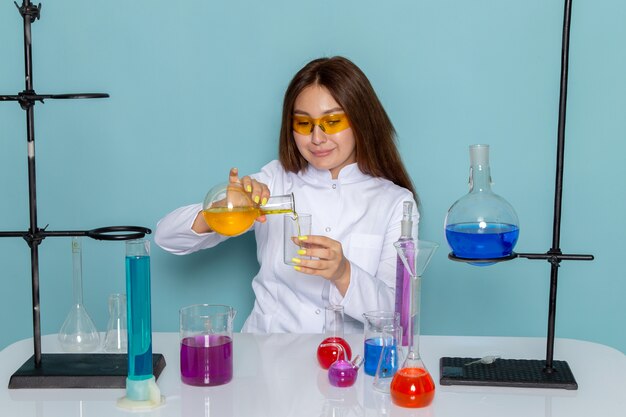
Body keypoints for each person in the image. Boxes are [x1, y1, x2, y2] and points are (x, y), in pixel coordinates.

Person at [155, 56, 419, 334]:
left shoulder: (395, 203)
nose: (317, 138)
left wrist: (343, 273)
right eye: (304, 124)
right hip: (267, 355)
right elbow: (166, 236)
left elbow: (398, 314)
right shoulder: (272, 182)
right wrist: (225, 209)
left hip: (349, 362)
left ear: (360, 120)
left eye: (332, 122)